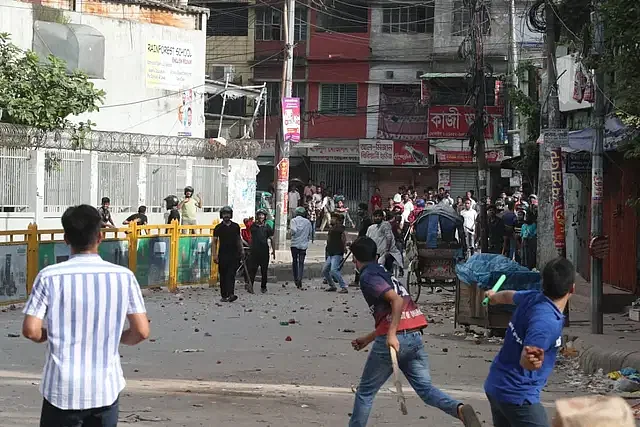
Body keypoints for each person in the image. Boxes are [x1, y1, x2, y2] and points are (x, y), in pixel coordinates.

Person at [22, 204, 149, 426]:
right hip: (104, 388)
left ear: (66, 238)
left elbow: (31, 330)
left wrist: (52, 334)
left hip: (61, 389)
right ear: (100, 236)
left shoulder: (49, 276)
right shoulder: (123, 277)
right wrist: (112, 336)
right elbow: (141, 331)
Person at [348, 237, 482, 427]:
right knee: (425, 390)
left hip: (397, 338)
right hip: (413, 334)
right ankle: (459, 409)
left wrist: (392, 335)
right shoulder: (383, 271)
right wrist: (369, 338)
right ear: (376, 255)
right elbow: (392, 311)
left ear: (355, 259)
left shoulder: (368, 276)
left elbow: (396, 301)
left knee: (365, 392)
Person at [484, 258, 576, 427]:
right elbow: (526, 359)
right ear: (572, 289)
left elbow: (508, 296)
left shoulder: (533, 298)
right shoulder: (546, 322)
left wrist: (494, 297)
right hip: (517, 395)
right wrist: (532, 362)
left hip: (496, 386)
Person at [213, 206, 243, 302]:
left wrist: (241, 250)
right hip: (222, 255)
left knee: (231, 275)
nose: (226, 216)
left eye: (228, 214)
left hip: (234, 255)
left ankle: (231, 294)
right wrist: (215, 255)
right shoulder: (218, 228)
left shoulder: (236, 226)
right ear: (222, 215)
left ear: (231, 215)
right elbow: (214, 242)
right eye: (225, 214)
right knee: (223, 275)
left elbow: (239, 239)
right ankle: (224, 295)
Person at [247, 209, 274, 294]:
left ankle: (263, 287)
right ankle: (250, 286)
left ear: (265, 217)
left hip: (264, 251)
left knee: (264, 270)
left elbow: (271, 239)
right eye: (259, 215)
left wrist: (274, 250)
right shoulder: (253, 226)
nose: (261, 217)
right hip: (254, 251)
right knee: (253, 270)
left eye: (262, 215)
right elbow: (249, 234)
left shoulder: (267, 227)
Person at [323, 214, 348, 293]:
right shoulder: (331, 229)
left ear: (337, 220)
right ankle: (332, 286)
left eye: (333, 218)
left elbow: (343, 238)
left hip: (337, 252)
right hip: (331, 252)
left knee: (334, 270)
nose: (331, 220)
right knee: (325, 270)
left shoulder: (340, 229)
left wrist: (344, 248)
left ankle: (343, 287)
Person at [290, 206, 312, 289]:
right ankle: (300, 278)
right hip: (303, 245)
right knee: (301, 262)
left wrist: (294, 234)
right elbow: (310, 233)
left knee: (295, 261)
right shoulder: (308, 222)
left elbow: (293, 230)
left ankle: (296, 279)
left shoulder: (293, 221)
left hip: (294, 244)